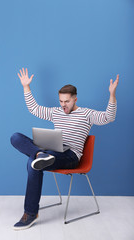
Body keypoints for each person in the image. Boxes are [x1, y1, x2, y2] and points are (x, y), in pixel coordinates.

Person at [10, 68, 119, 230]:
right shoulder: (56, 112)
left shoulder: (86, 114)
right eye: (61, 101)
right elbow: (34, 109)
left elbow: (108, 118)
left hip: (70, 156)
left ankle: (30, 213)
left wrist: (112, 95)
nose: (63, 105)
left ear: (75, 99)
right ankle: (40, 154)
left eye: (66, 101)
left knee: (32, 161)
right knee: (16, 137)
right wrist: (26, 87)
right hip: (50, 151)